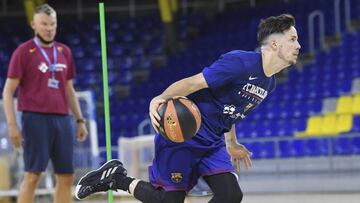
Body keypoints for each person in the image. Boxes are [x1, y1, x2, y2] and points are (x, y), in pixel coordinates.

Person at [75, 13, 301, 203]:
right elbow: (193, 82)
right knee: (169, 201)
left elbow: (231, 112)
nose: (298, 45)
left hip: (212, 141)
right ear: (274, 43)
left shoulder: (269, 83)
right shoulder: (240, 63)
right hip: (183, 134)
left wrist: (231, 142)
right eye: (292, 39)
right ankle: (117, 179)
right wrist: (160, 98)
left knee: (231, 195)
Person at [2, 4, 88, 203]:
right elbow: (8, 92)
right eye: (44, 24)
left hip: (63, 119)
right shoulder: (23, 52)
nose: (48, 28)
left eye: (52, 24)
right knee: (33, 176)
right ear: (34, 25)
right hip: (35, 118)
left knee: (66, 176)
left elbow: (69, 90)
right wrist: (13, 125)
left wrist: (79, 120)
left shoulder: (64, 51)